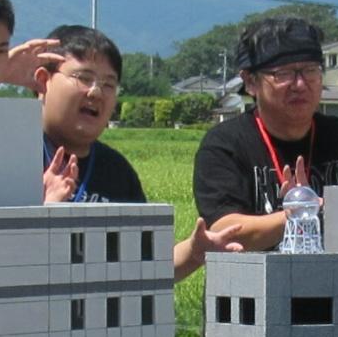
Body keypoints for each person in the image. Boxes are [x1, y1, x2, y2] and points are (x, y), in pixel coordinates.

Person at [31, 23, 242, 280]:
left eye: (109, 84)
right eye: (83, 78)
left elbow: (143, 265)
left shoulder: (117, 171)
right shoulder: (10, 155)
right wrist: (42, 212)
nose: (96, 91)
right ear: (43, 81)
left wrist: (194, 252)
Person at [192, 17, 338, 250]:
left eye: (310, 71)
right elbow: (224, 231)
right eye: (283, 74)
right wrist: (304, 212)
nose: (300, 84)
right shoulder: (225, 145)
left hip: (336, 273)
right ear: (250, 82)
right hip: (253, 274)